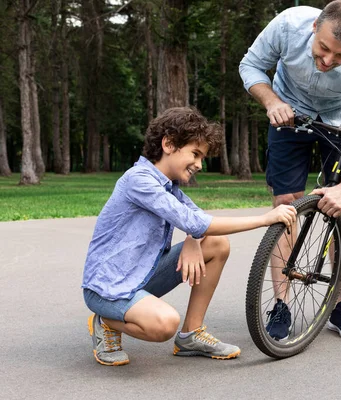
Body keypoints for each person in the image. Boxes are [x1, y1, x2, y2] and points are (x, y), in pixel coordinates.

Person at [82, 107, 296, 366]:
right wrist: (265, 219)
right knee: (164, 324)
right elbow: (195, 221)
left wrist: (193, 241)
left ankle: (191, 335)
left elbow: (196, 220)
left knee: (216, 244)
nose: (199, 164)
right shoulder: (139, 180)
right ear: (169, 144)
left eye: (202, 157)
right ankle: (106, 321)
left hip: (140, 277)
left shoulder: (169, 187)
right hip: (108, 289)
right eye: (195, 154)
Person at [239, 0, 341, 341]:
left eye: (340, 56)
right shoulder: (288, 24)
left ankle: (339, 305)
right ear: (314, 28)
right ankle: (281, 305)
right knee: (285, 205)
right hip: (288, 112)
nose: (328, 61)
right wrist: (272, 101)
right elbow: (251, 66)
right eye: (323, 49)